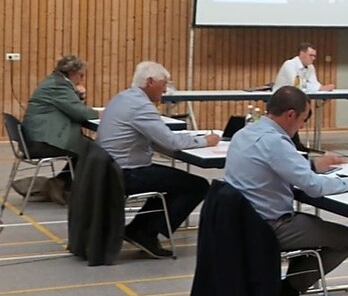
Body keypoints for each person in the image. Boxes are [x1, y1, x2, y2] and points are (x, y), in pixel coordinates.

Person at [224, 86, 348, 296]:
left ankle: (287, 292)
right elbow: (314, 187)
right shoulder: (277, 142)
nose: (301, 126)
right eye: (302, 119)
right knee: (345, 239)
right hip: (268, 228)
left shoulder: (245, 133)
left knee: (314, 228)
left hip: (238, 224)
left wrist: (312, 165)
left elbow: (274, 166)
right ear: (290, 115)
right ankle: (286, 293)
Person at [96, 61, 221, 258]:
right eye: (164, 84)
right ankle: (145, 233)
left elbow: (157, 138)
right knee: (197, 185)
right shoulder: (141, 107)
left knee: (170, 180)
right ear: (150, 82)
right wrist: (205, 140)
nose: (166, 89)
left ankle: (139, 229)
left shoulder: (123, 98)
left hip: (109, 168)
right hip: (126, 173)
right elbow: (171, 141)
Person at [21, 55, 99, 205]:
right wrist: (105, 114)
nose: (81, 79)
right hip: (43, 141)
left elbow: (69, 106)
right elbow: (81, 113)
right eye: (81, 75)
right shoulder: (59, 85)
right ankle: (68, 188)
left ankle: (60, 184)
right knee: (95, 150)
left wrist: (78, 96)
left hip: (37, 138)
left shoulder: (55, 82)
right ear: (72, 73)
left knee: (89, 147)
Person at [274, 42, 335, 151]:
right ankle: (293, 143)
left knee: (306, 112)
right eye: (311, 55)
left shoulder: (310, 67)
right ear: (302, 54)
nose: (313, 58)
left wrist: (322, 87)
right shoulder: (290, 64)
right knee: (295, 113)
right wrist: (320, 88)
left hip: (295, 98)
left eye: (314, 56)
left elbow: (314, 83)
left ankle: (295, 142)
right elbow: (298, 85)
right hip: (282, 99)